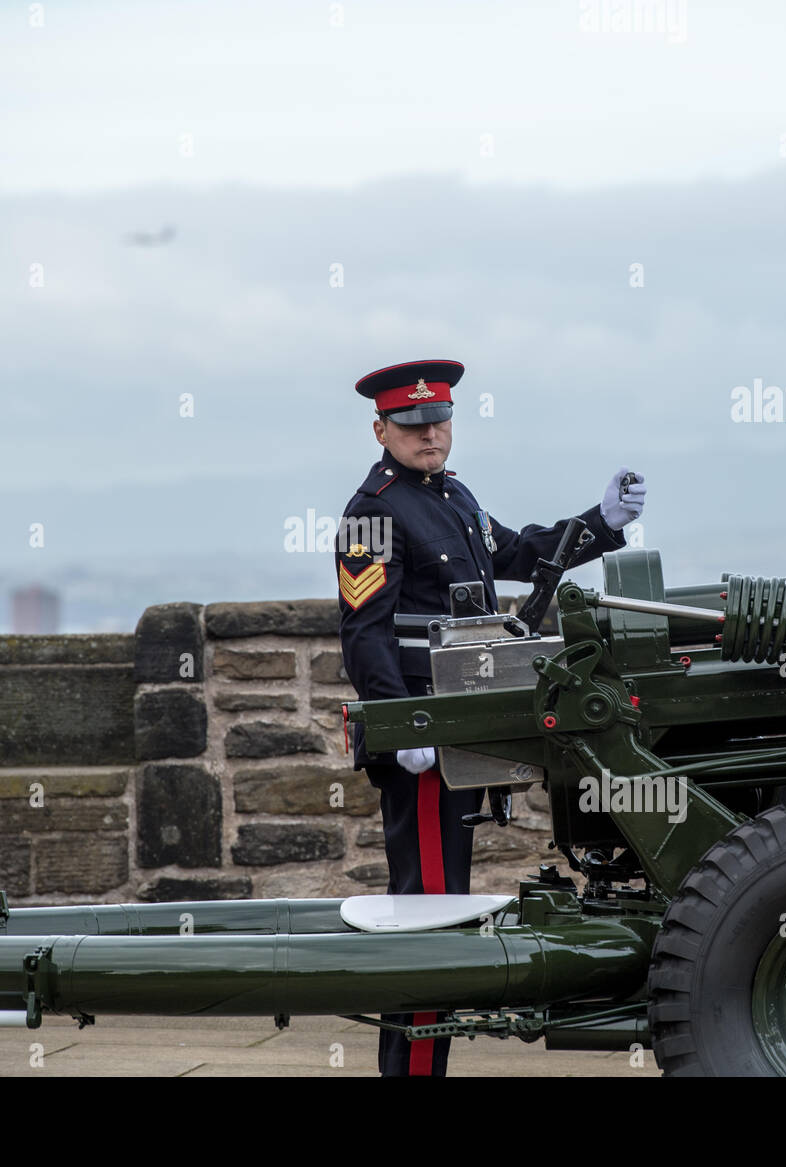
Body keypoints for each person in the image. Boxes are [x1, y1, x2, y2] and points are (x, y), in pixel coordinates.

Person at [335, 358, 646, 1076]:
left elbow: (518, 551)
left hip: (461, 730)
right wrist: (399, 722)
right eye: (413, 424)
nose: (430, 434)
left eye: (439, 420)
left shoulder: (454, 495)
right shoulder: (375, 510)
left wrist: (598, 524)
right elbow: (365, 631)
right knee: (429, 911)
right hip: (427, 740)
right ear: (382, 428)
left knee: (445, 902)